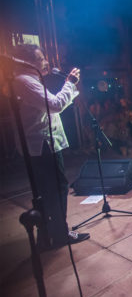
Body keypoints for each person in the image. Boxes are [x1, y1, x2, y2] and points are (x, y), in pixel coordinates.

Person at [11, 44, 89, 249]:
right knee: (56, 189)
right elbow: (54, 105)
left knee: (48, 191)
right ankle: (59, 234)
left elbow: (51, 107)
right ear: (28, 61)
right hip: (43, 145)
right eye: (40, 57)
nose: (45, 61)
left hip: (42, 144)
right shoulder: (25, 81)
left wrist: (70, 91)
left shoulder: (30, 81)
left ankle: (47, 234)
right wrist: (70, 83)